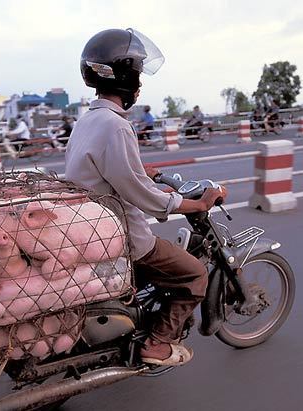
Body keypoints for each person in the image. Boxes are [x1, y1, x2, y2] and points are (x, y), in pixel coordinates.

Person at [65, 28, 227, 366]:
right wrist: (195, 203)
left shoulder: (88, 121)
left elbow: (113, 172)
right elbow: (141, 196)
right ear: (125, 78)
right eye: (137, 74)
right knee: (195, 273)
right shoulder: (116, 126)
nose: (139, 84)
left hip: (89, 226)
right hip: (122, 235)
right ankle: (156, 343)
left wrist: (144, 172)